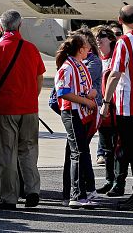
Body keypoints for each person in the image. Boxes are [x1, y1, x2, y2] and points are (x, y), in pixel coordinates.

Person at [0, 10, 44, 210]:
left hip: (6, 108)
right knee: (28, 151)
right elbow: (39, 77)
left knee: (7, 153)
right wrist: (31, 96)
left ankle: (9, 197)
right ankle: (32, 190)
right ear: (20, 25)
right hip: (29, 108)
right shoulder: (31, 48)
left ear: (1, 27)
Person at [100, 5, 133, 212]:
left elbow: (115, 74)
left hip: (127, 103)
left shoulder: (124, 42)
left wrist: (105, 101)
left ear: (119, 20)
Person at [56, 34, 98, 208]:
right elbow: (63, 92)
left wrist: (91, 94)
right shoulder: (68, 67)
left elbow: (79, 88)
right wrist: (87, 101)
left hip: (80, 113)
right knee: (78, 153)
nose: (89, 48)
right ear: (80, 49)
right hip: (72, 113)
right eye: (87, 45)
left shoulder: (79, 64)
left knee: (80, 152)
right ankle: (76, 194)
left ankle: (80, 192)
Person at [91, 26, 127, 196]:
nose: (98, 39)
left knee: (118, 147)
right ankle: (109, 180)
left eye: (102, 36)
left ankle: (119, 183)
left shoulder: (116, 58)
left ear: (111, 39)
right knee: (106, 149)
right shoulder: (97, 59)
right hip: (102, 111)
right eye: (96, 36)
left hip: (117, 109)